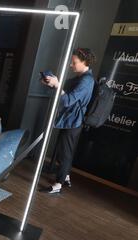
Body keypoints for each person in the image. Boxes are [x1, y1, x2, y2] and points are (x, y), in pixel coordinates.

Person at [42, 48, 96, 194]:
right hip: (69, 119)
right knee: (65, 150)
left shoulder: (86, 80)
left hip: (74, 121)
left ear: (85, 62)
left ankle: (58, 184)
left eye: (74, 62)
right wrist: (52, 83)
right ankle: (65, 177)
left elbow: (68, 100)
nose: (71, 65)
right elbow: (64, 92)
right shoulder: (79, 77)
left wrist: (58, 85)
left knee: (65, 152)